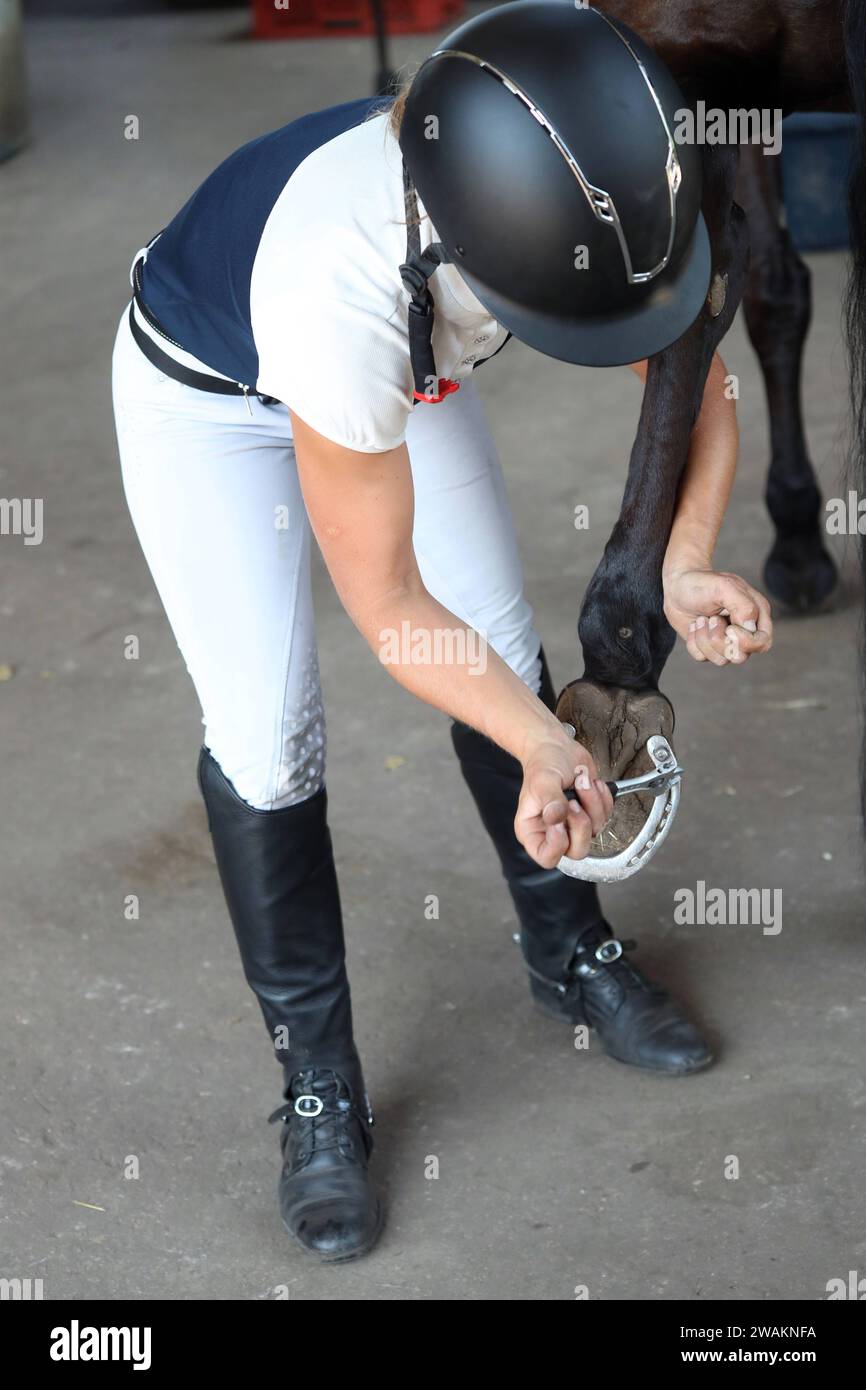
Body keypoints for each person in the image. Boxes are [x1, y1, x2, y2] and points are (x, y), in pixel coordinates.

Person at [111, 1, 772, 1264]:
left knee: (504, 645)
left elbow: (691, 378)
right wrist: (540, 745)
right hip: (213, 393)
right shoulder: (337, 289)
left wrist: (683, 560)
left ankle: (564, 949)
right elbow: (391, 610)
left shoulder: (613, 164)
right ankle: (317, 1085)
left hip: (410, 359)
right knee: (266, 731)